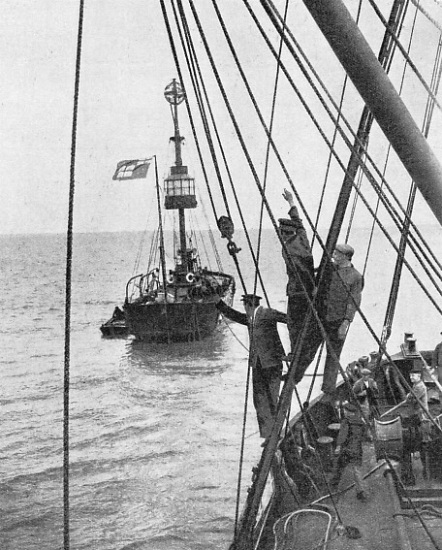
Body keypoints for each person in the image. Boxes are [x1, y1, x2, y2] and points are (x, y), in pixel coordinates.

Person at [216, 294, 287, 442]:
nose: (245, 310)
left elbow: (288, 319)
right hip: (257, 364)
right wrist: (218, 303)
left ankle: (277, 433)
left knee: (273, 399)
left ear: (249, 305)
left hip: (272, 363)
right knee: (259, 400)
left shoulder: (267, 313)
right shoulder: (250, 318)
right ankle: (267, 434)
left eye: (245, 307)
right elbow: (235, 316)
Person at [319, 243, 364, 396]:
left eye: (337, 254)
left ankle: (328, 388)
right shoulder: (331, 269)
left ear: (346, 257)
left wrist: (346, 322)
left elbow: (354, 301)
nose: (334, 256)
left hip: (338, 320)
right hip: (322, 316)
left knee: (333, 354)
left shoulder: (355, 276)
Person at [279, 189, 315, 358]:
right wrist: (291, 201)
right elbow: (298, 221)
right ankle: (303, 351)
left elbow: (301, 269)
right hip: (307, 289)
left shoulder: (290, 249)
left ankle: (295, 353)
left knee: (294, 323)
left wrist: (309, 287)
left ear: (284, 233)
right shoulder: (302, 237)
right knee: (305, 323)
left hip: (298, 290)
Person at [330, 400, 368, 501]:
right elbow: (365, 435)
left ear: (349, 412)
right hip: (357, 450)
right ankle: (361, 492)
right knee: (356, 471)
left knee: (338, 466)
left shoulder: (346, 421)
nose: (345, 412)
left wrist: (338, 447)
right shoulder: (360, 421)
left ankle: (334, 488)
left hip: (346, 450)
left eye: (346, 410)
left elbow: (342, 435)